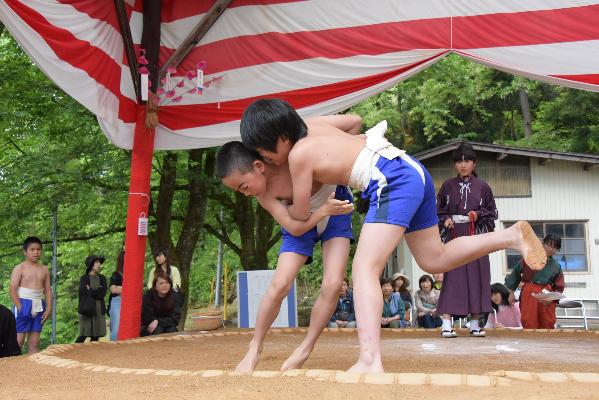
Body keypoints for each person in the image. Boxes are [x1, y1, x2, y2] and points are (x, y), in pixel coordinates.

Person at [240, 98, 547, 372]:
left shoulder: (297, 157)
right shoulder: (313, 125)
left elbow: (300, 212)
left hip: (390, 180)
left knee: (364, 269)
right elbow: (355, 119)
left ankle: (369, 360)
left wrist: (283, 203)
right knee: (434, 259)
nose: (266, 159)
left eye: (266, 152)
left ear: (282, 139)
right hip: (411, 169)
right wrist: (344, 151)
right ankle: (509, 236)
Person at [216, 139, 354, 373]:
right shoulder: (262, 195)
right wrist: (321, 212)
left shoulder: (289, 158)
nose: (244, 194)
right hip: (301, 223)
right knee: (280, 284)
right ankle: (254, 347)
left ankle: (306, 347)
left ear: (259, 166)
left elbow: (350, 127)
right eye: (239, 191)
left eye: (243, 186)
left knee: (333, 284)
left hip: (337, 206)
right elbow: (296, 228)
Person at [436, 142, 497, 338]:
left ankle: (475, 323)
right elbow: (439, 210)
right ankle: (446, 322)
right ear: (455, 165)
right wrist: (445, 220)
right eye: (459, 161)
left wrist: (477, 214)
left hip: (476, 235)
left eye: (467, 161)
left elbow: (492, 212)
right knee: (453, 277)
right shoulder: (447, 185)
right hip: (455, 236)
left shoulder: (483, 186)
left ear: (474, 163)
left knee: (477, 276)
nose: (463, 165)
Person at [505, 233, 565, 329]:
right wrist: (511, 293)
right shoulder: (529, 257)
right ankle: (530, 342)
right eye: (549, 245)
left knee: (547, 321)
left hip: (547, 295)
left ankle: (546, 342)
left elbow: (559, 287)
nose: (551, 249)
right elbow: (515, 273)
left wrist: (551, 298)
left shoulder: (556, 266)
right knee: (529, 320)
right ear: (543, 243)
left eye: (555, 247)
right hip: (529, 292)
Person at [9, 236, 52, 354]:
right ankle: (13, 369)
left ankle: (32, 371)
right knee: (18, 341)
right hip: (23, 303)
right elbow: (12, 289)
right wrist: (19, 307)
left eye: (38, 249)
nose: (36, 252)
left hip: (39, 304)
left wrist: (49, 308)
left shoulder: (44, 269)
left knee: (34, 342)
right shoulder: (19, 268)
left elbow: (48, 290)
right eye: (32, 249)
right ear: (25, 251)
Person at [76, 255, 107, 343]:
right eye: (96, 262)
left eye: (99, 262)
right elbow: (84, 292)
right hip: (87, 309)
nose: (99, 264)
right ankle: (73, 352)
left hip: (99, 309)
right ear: (91, 264)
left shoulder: (102, 278)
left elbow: (103, 293)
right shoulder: (84, 278)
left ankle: (93, 356)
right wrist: (97, 291)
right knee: (83, 335)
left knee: (96, 337)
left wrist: (91, 291)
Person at [108, 250, 124, 341]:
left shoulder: (132, 274)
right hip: (117, 301)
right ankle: (113, 347)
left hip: (129, 301)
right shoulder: (116, 274)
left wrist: (120, 288)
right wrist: (127, 288)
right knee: (116, 327)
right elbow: (113, 289)